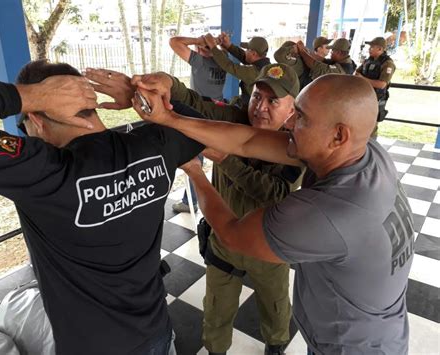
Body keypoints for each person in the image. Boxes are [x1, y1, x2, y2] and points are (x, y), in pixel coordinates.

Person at [130, 74, 414, 355]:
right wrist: (168, 119)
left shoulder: (329, 212)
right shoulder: (368, 153)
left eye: (300, 117)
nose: (290, 123)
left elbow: (231, 232)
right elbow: (248, 140)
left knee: (274, 304)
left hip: (352, 347)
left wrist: (195, 173)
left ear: (338, 135)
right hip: (378, 330)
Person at [0, 60, 204, 354]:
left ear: (36, 120)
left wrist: (27, 96)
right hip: (156, 331)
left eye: (24, 125)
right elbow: (199, 121)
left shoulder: (43, 174)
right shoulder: (154, 145)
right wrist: (136, 94)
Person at [93, 64, 301, 355]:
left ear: (292, 110)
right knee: (216, 311)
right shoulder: (235, 117)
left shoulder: (299, 143)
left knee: (277, 308)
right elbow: (195, 105)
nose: (260, 107)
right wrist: (165, 87)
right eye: (257, 96)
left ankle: (276, 346)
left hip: (268, 249)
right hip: (223, 243)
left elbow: (273, 192)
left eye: (273, 101)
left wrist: (224, 157)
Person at [169, 35, 227, 213]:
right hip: (218, 110)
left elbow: (174, 42)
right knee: (221, 158)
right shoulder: (223, 64)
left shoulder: (199, 62)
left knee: (195, 156)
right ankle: (222, 195)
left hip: (200, 112)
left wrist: (197, 40)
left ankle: (190, 201)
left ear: (202, 49)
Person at [205, 33, 271, 106]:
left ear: (254, 54)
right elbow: (243, 56)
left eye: (247, 50)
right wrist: (228, 46)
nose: (245, 51)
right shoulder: (266, 66)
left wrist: (212, 47)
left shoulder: (254, 72)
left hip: (248, 110)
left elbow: (229, 66)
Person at [355, 37, 396, 125]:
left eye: (372, 47)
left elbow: (381, 84)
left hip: (375, 99)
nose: (369, 49)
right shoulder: (368, 61)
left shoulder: (387, 64)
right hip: (363, 97)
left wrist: (363, 79)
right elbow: (357, 73)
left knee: (370, 126)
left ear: (380, 49)